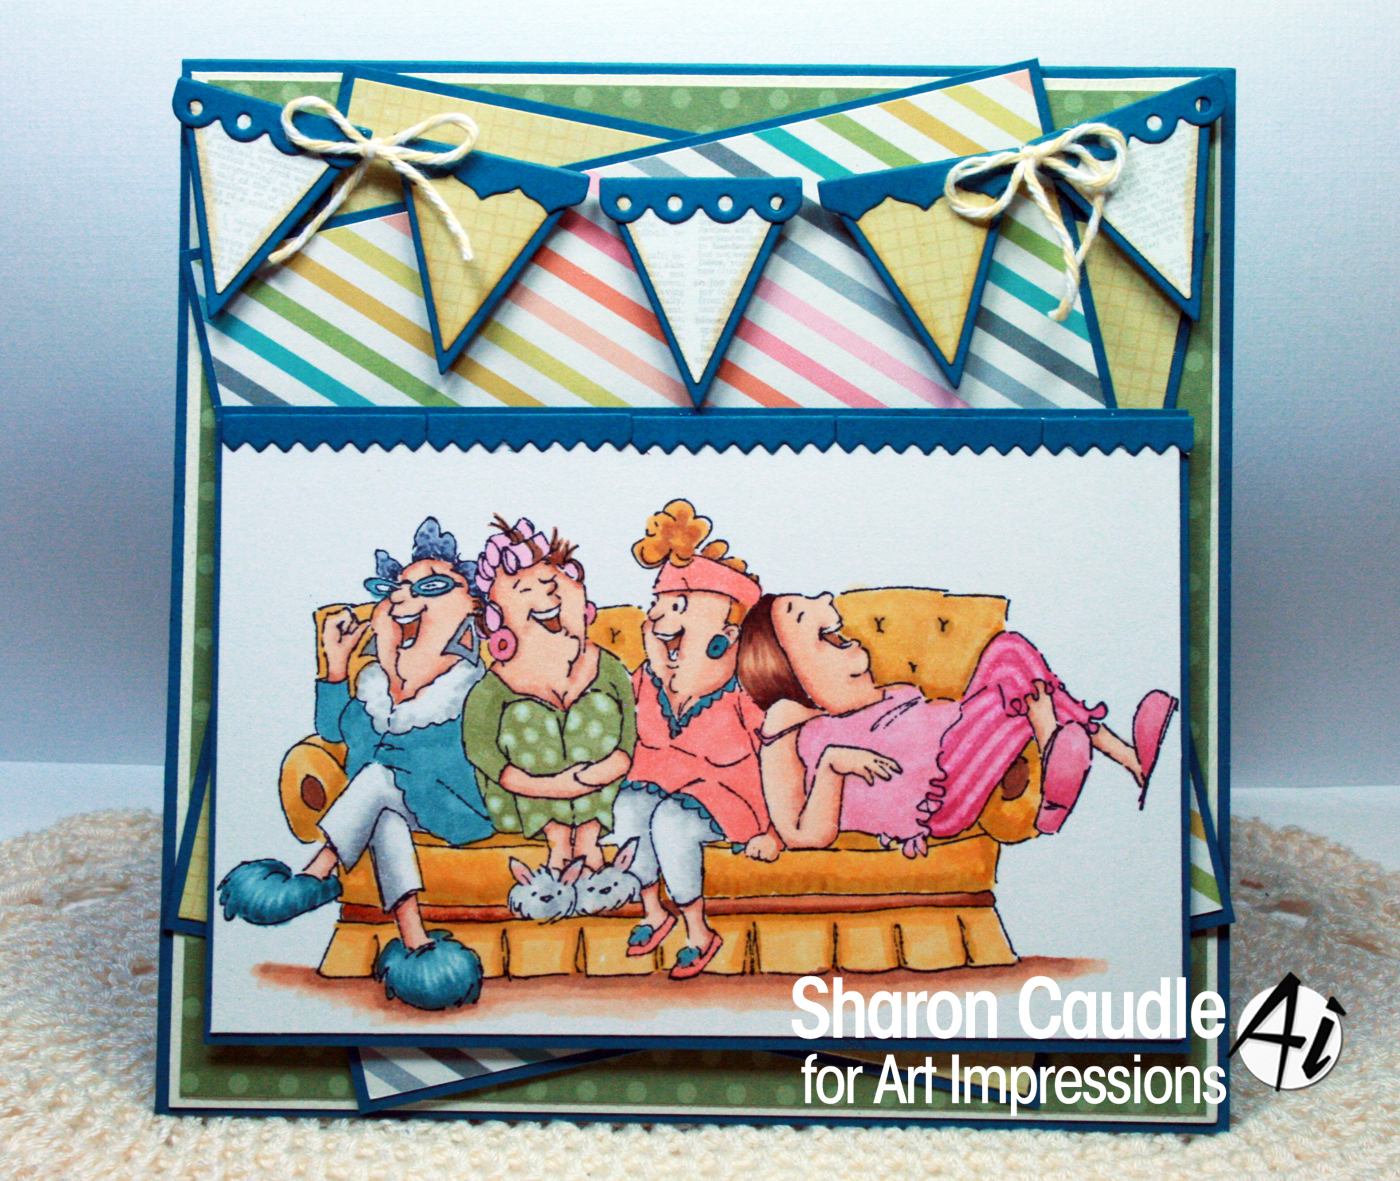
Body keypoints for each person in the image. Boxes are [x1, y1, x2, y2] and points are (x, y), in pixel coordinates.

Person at [218, 518, 490, 1011]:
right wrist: (337, 667)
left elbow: (453, 759)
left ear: (471, 603)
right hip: (389, 800)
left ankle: (315, 875)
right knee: (382, 810)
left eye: (431, 586)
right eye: (397, 588)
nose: (406, 597)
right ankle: (417, 944)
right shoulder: (377, 680)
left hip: (455, 807)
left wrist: (392, 657)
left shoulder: (474, 682)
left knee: (379, 781)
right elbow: (334, 733)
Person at [737, 591, 1177, 855]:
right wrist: (834, 763)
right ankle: (1058, 775)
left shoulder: (875, 700)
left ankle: (1127, 757)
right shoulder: (813, 735)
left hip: (958, 749)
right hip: (939, 793)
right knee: (1014, 682)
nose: (825, 604)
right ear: (794, 681)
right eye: (816, 633)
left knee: (1009, 651)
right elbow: (805, 834)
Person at [613, 501, 782, 980]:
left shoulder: (744, 691)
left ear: (726, 635)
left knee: (671, 821)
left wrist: (774, 831)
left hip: (725, 799)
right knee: (629, 806)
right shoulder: (644, 680)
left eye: (679, 607)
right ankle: (653, 912)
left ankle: (698, 932)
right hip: (654, 785)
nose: (658, 618)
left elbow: (781, 758)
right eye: (659, 605)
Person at [461, 516, 635, 874]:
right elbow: (482, 751)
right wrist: (552, 786)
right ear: (496, 618)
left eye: (553, 583)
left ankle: (588, 837)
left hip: (600, 790)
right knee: (526, 716)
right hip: (522, 799)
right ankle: (556, 840)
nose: (548, 594)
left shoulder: (608, 667)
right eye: (524, 589)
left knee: (596, 708)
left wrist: (590, 778)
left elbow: (629, 739)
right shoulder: (493, 688)